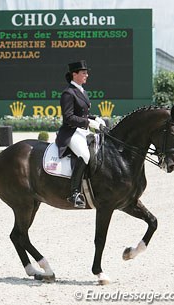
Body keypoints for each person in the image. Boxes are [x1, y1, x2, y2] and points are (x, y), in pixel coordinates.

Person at [55, 60, 106, 208]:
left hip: (82, 131)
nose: (87, 75)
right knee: (85, 155)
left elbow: (83, 114)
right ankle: (75, 192)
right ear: (74, 74)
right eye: (83, 73)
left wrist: (94, 118)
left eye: (86, 73)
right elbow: (69, 117)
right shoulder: (68, 93)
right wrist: (88, 123)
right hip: (71, 132)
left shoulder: (83, 91)